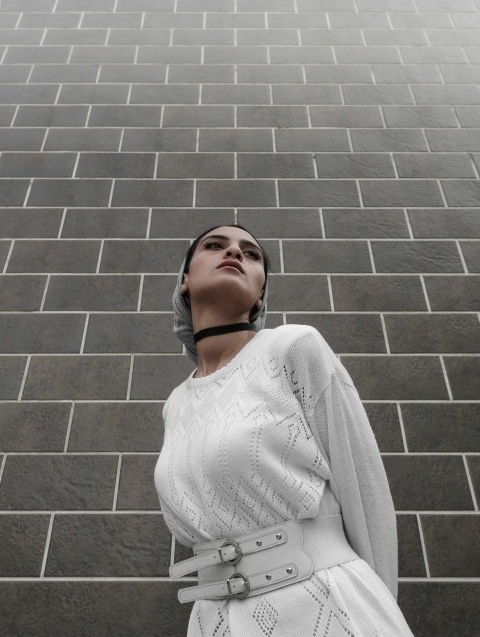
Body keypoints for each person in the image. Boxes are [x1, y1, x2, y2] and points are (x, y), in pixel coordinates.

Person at [154, 223, 415, 636]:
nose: (235, 253)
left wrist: (378, 610)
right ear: (184, 281)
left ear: (260, 294)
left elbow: (367, 496)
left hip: (327, 603)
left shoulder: (292, 347)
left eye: (251, 254)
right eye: (215, 246)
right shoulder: (176, 405)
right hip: (215, 619)